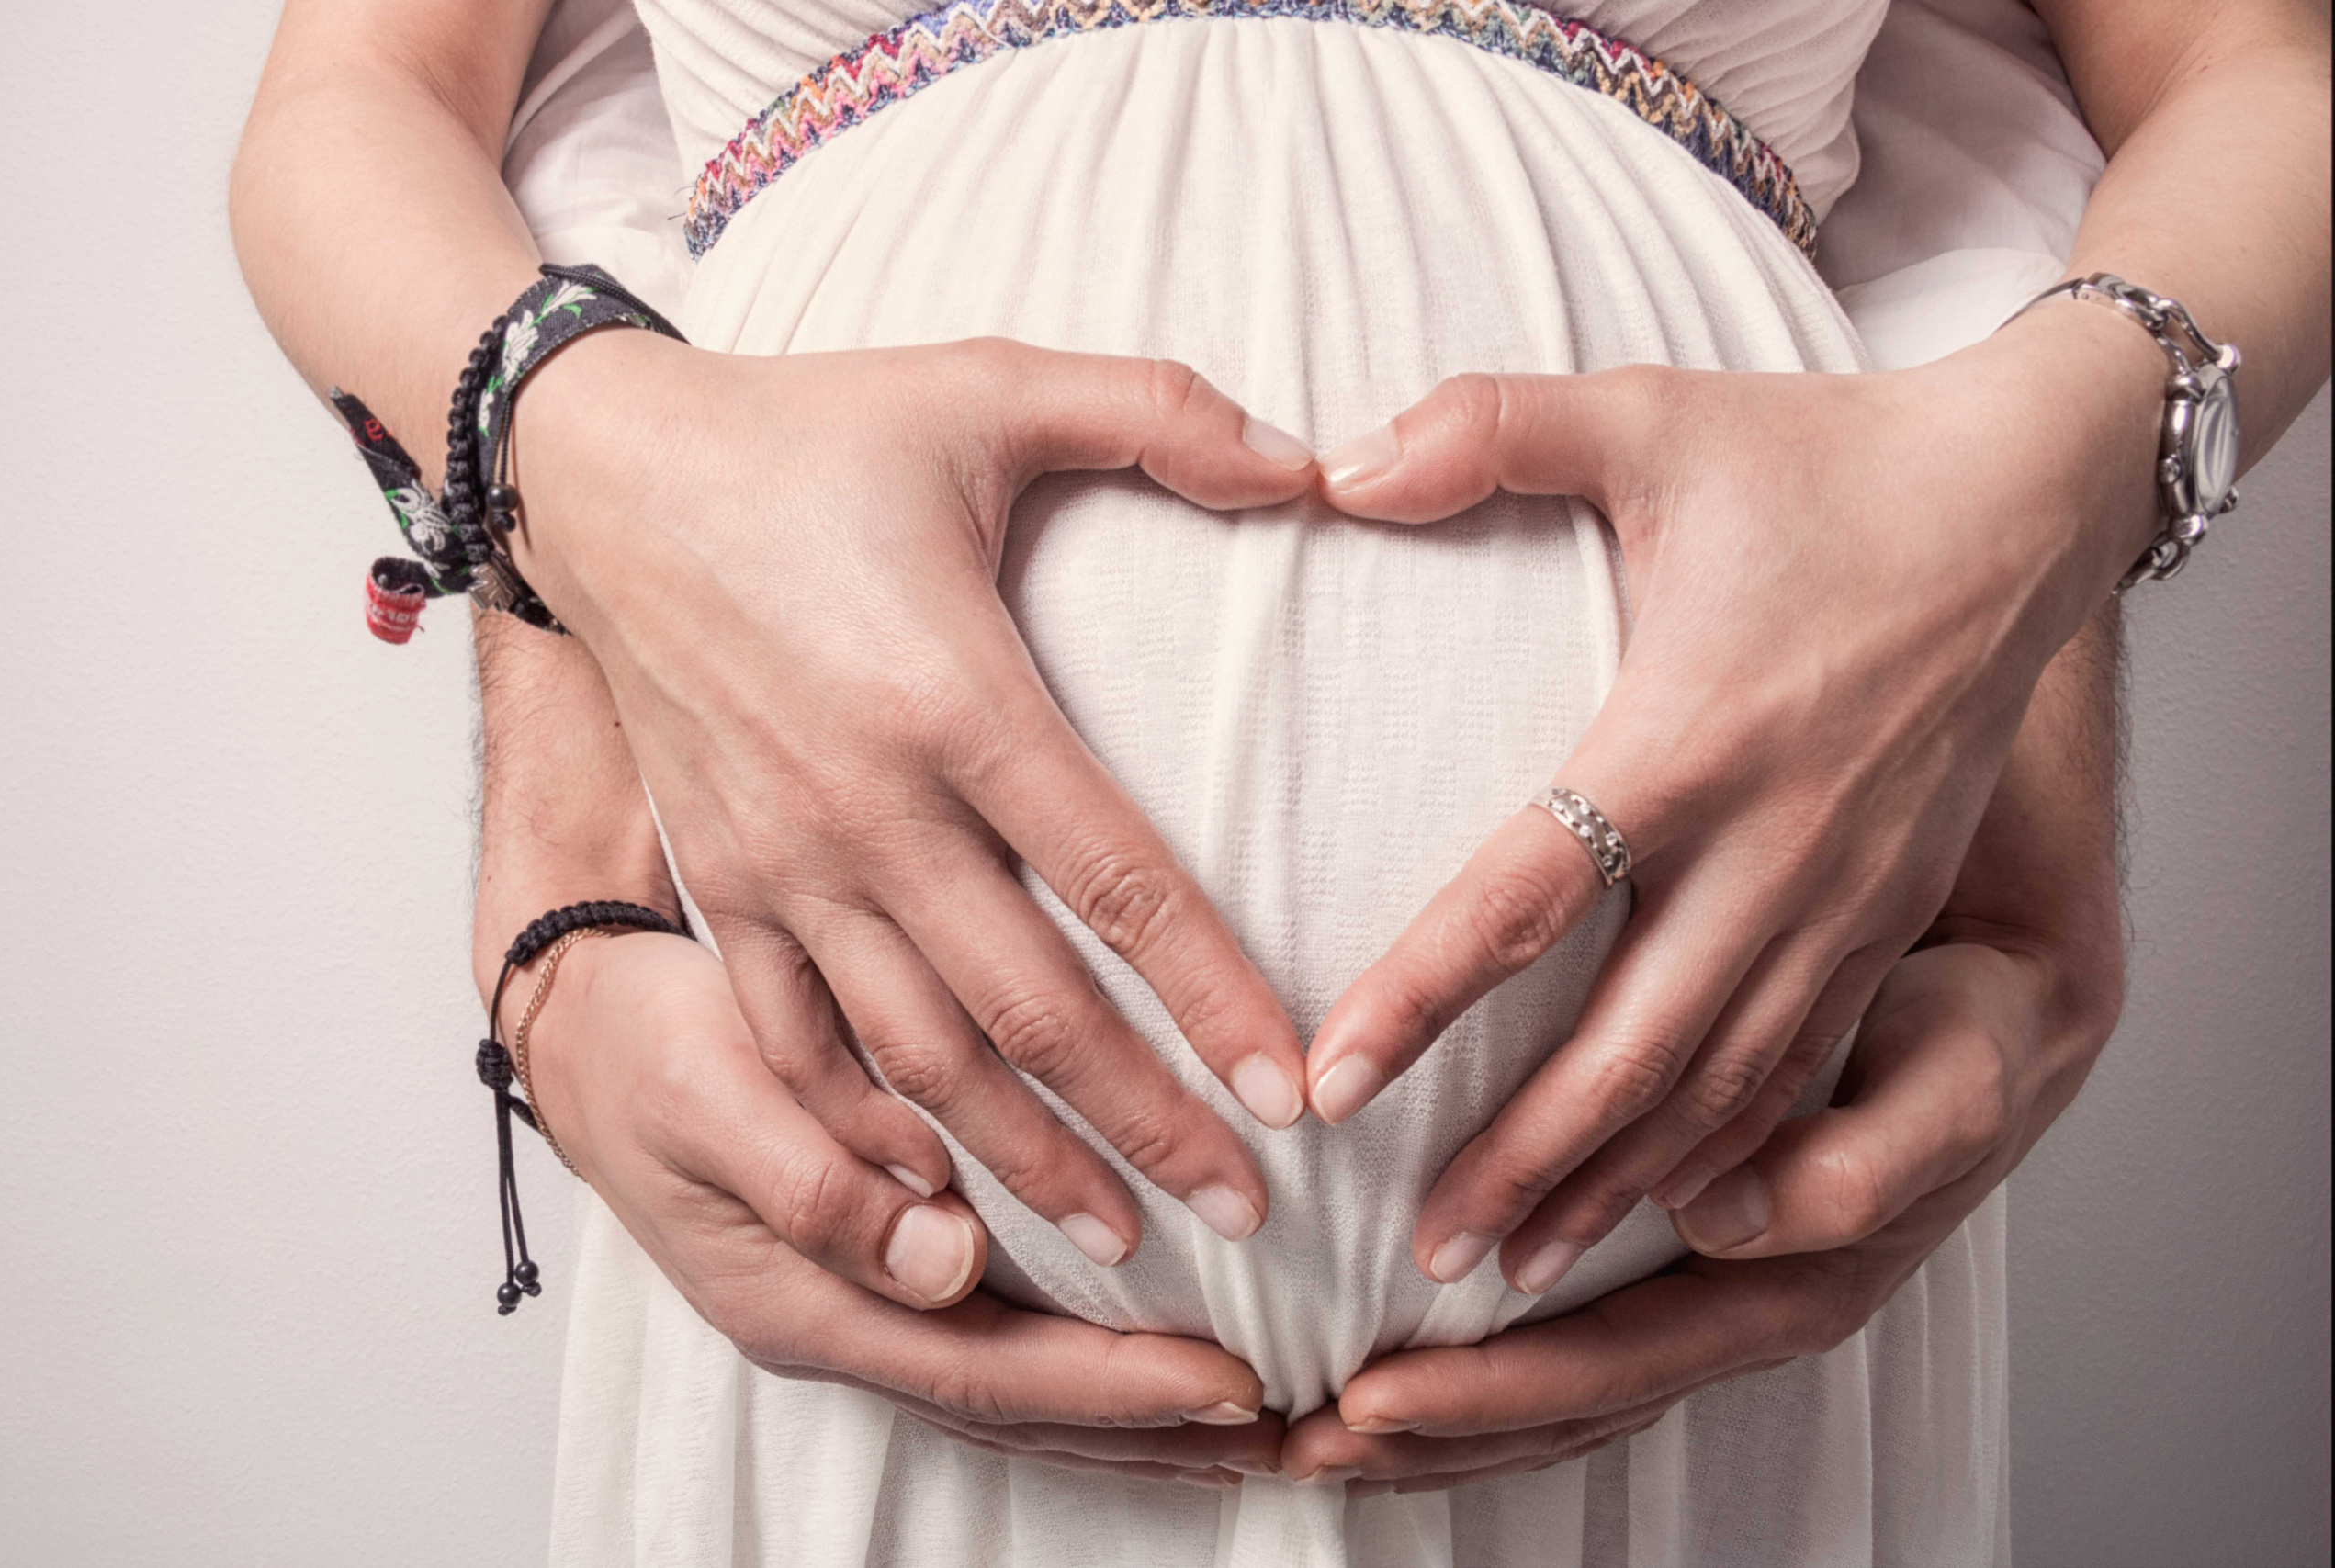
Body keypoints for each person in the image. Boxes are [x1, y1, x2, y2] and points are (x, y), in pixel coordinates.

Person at [229, 0, 2331, 1562]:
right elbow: (375, 118)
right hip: (860, 1163)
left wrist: (2008, 713)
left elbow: (2241, 92)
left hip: (1722, 1179)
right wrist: (564, 873)